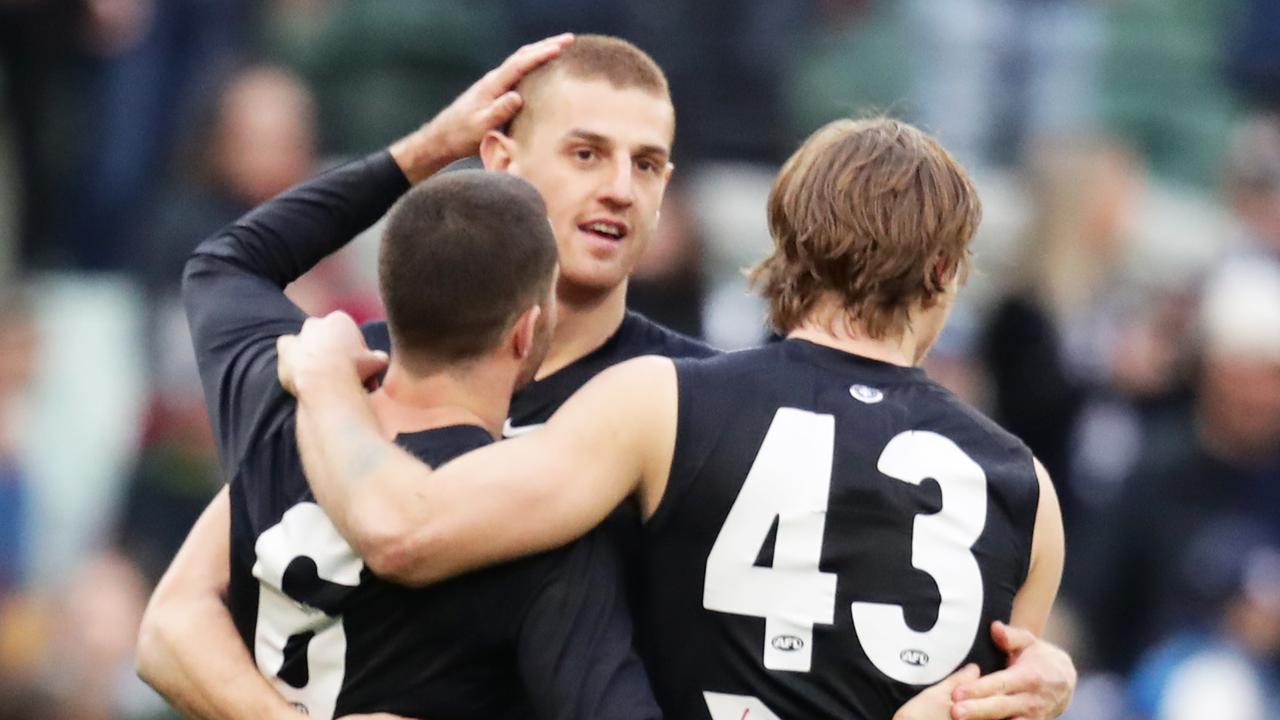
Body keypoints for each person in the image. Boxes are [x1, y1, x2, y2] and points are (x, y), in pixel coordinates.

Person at [139, 35, 1075, 720]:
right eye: (586, 154)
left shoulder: (688, 407)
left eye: (649, 162)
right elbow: (175, 623)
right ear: (499, 154)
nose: (621, 188)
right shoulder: (384, 359)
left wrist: (1038, 680)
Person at [147, 141, 666, 720]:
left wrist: (433, 141)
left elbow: (226, 260)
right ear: (525, 332)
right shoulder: (527, 529)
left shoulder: (284, 415)